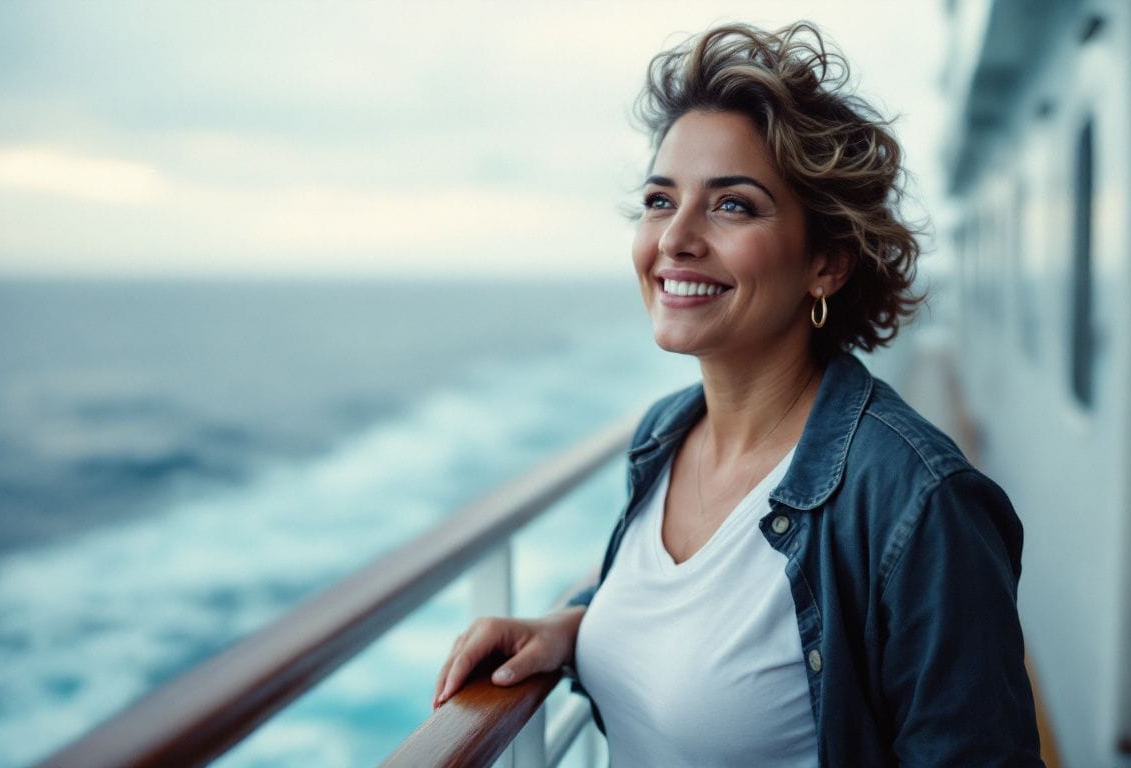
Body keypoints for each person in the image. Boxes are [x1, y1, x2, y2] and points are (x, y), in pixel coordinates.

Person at [434, 21, 1043, 766]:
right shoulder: (664, 435)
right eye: (660, 200)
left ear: (827, 263)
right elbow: (696, 621)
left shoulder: (917, 504)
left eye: (732, 206)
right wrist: (572, 628)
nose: (675, 239)